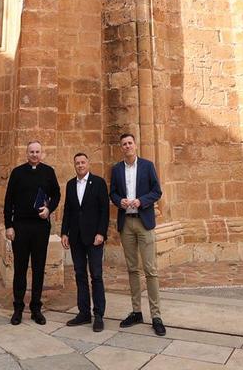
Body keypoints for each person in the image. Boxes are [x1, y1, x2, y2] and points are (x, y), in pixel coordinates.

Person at [109, 133, 165, 336]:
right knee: (132, 269)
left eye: (130, 143)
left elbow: (157, 191)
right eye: (124, 144)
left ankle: (156, 316)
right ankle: (136, 311)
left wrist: (142, 201)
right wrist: (119, 201)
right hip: (127, 224)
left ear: (135, 145)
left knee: (150, 270)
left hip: (144, 223)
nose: (127, 146)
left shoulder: (147, 166)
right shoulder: (116, 169)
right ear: (121, 147)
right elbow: (113, 192)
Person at [3, 140, 61, 325]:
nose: (35, 155)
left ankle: (36, 307)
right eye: (31, 152)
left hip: (40, 227)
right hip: (20, 226)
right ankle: (18, 308)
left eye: (37, 152)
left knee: (38, 268)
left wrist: (49, 209)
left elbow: (57, 194)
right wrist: (8, 225)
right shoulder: (17, 173)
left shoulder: (48, 172)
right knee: (20, 268)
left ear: (41, 153)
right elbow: (8, 201)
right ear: (26, 153)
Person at [61, 152, 110, 332]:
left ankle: (98, 315)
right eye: (77, 163)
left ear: (88, 164)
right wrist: (64, 232)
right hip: (76, 237)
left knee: (96, 275)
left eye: (83, 162)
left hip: (94, 238)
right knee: (79, 274)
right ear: (74, 165)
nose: (80, 165)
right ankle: (83, 313)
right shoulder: (70, 184)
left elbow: (104, 210)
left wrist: (101, 233)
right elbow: (68, 210)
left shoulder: (98, 183)